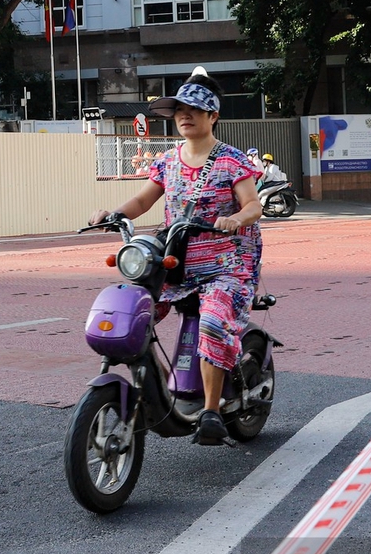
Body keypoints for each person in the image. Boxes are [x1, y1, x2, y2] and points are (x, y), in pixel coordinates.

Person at [88, 71, 263, 446]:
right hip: (176, 262)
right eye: (179, 110)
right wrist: (115, 214)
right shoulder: (167, 161)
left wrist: (235, 218)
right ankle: (151, 386)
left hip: (226, 266)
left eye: (195, 110)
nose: (185, 116)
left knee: (213, 322)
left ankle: (212, 411)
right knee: (135, 310)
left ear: (213, 116)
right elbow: (142, 200)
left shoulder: (232, 161)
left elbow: (253, 206)